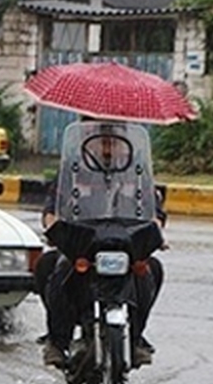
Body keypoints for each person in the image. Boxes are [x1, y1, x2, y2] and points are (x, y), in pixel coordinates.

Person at [35, 125, 165, 370]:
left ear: (123, 140)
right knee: (54, 267)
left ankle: (136, 338)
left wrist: (156, 233)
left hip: (125, 243)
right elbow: (52, 209)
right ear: (88, 139)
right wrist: (52, 229)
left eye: (113, 140)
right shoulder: (72, 170)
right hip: (82, 242)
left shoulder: (137, 172)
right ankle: (57, 340)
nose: (107, 146)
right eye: (101, 140)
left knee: (151, 270)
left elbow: (154, 211)